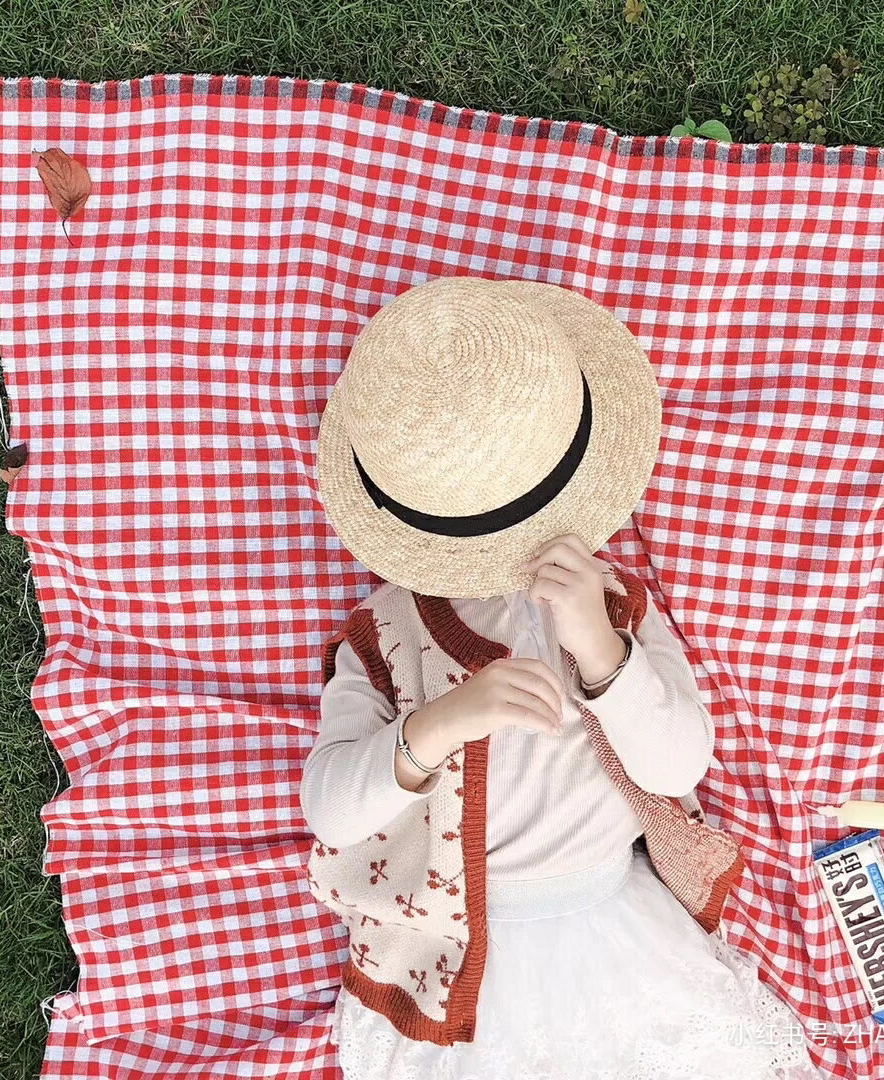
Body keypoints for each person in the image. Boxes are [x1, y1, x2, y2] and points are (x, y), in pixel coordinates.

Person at [301, 275, 828, 1079]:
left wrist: (602, 653)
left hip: (617, 923)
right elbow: (331, 810)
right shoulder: (386, 631)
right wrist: (438, 727)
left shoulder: (608, 599)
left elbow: (680, 764)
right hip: (461, 957)